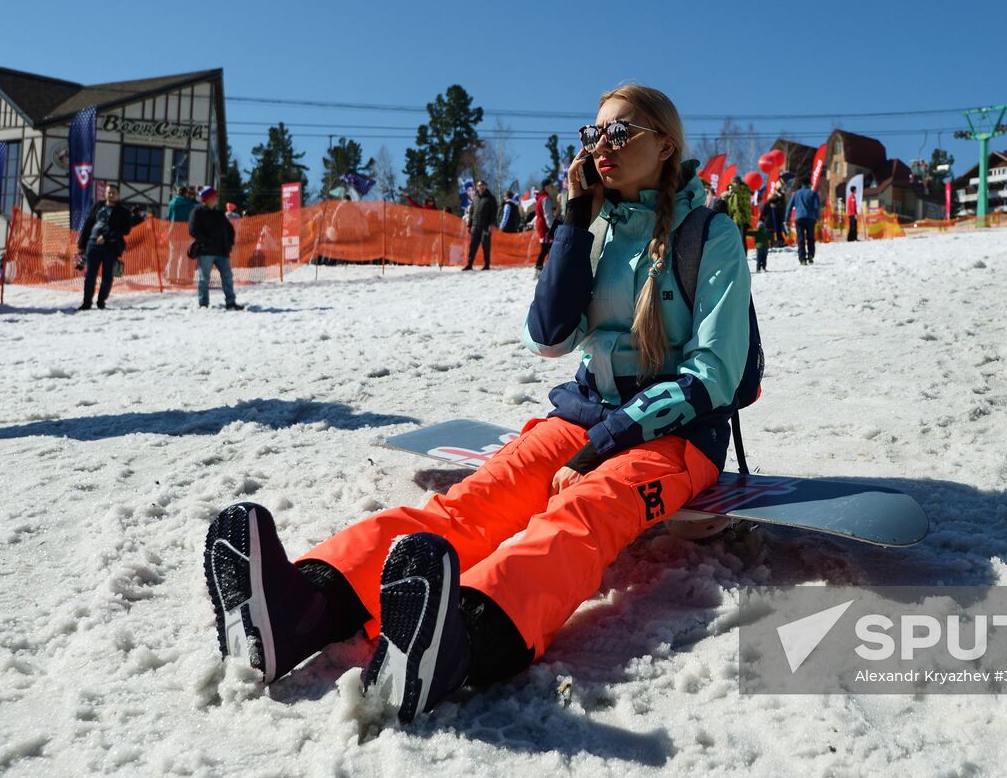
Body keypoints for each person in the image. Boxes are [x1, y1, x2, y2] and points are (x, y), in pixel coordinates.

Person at [202, 84, 751, 723]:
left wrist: (606, 444)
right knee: (475, 503)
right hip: (583, 413)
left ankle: (466, 634)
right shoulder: (595, 228)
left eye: (622, 133)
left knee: (584, 513)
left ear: (666, 146)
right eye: (593, 134)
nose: (603, 147)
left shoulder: (709, 235)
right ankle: (303, 608)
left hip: (674, 435)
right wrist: (573, 224)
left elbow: (713, 373)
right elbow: (548, 337)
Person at [75, 181, 145, 310]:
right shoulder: (97, 206)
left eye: (113, 192)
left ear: (118, 195)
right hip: (92, 243)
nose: (111, 194)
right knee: (90, 274)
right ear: (105, 193)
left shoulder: (123, 212)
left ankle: (101, 302)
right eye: (108, 192)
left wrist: (106, 236)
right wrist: (81, 243)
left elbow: (125, 230)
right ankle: (86, 303)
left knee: (107, 275)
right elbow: (88, 224)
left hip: (111, 246)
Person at [189, 186, 243, 309]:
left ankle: (231, 303)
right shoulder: (197, 212)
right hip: (206, 251)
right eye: (214, 196)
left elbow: (230, 229)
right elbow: (193, 230)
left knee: (227, 277)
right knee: (204, 278)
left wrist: (229, 243)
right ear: (207, 199)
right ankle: (203, 304)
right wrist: (206, 241)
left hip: (222, 251)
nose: (217, 198)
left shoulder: (219, 213)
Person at [164, 184, 198, 282]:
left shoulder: (172, 203)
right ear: (186, 193)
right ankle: (182, 278)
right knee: (184, 256)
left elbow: (168, 217)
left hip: (173, 230)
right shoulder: (191, 204)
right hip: (186, 232)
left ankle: (171, 277)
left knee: (173, 255)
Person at [463, 180, 497, 270]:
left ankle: (486, 264)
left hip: (486, 226)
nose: (480, 187)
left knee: (486, 246)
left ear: (486, 187)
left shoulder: (490, 198)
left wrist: (492, 224)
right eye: (479, 186)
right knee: (472, 246)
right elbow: (471, 212)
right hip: (475, 226)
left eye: (482, 185)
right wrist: (469, 225)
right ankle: (469, 264)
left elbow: (494, 212)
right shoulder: (475, 198)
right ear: (477, 187)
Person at [788, 180, 820, 265]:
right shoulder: (813, 193)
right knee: (810, 238)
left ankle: (802, 259)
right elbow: (817, 206)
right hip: (810, 218)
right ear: (809, 184)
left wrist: (786, 218)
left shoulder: (796, 194)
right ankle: (810, 255)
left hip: (799, 218)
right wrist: (817, 216)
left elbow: (790, 206)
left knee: (801, 239)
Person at [533, 180, 560, 274]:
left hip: (542, 226)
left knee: (547, 248)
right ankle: (539, 268)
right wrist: (553, 228)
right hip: (545, 228)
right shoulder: (545, 199)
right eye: (550, 185)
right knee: (546, 248)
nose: (552, 187)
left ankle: (543, 268)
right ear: (546, 186)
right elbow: (547, 215)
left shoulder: (540, 198)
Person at [725, 177, 752, 249]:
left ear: (739, 182)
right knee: (734, 239)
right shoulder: (732, 192)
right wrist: (728, 192)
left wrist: (735, 189)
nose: (734, 184)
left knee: (742, 239)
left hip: (743, 218)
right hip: (734, 219)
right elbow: (723, 196)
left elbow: (742, 192)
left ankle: (743, 257)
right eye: (732, 183)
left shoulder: (744, 189)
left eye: (735, 182)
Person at [765, 181, 787, 247]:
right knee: (776, 229)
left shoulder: (781, 195)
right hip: (774, 215)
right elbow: (770, 200)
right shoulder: (774, 194)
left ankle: (780, 241)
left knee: (779, 229)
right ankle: (776, 241)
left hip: (779, 214)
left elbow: (781, 204)